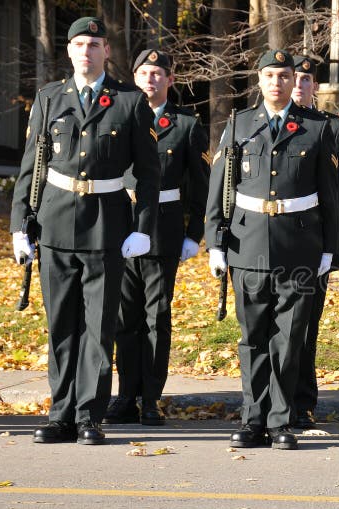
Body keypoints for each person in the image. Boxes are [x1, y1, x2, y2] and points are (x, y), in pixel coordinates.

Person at [9, 17, 159, 445]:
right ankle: (60, 414)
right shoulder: (49, 98)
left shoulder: (130, 101)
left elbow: (148, 174)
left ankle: (89, 416)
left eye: (95, 44)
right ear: (70, 50)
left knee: (98, 327)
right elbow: (31, 167)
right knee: (61, 324)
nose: (87, 52)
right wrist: (21, 225)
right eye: (79, 44)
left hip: (107, 225)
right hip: (55, 222)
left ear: (106, 52)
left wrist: (143, 227)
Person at [205, 49, 339, 450]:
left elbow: (331, 198)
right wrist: (216, 242)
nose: (277, 83)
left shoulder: (316, 129)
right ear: (259, 81)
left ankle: (281, 421)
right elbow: (221, 186)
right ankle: (253, 420)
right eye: (269, 76)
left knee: (288, 337)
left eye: (284, 75)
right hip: (247, 245)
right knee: (253, 338)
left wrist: (330, 250)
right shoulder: (239, 124)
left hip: (300, 246)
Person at [103, 49, 210, 426]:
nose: (151, 78)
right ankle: (126, 396)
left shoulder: (185, 125)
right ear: (134, 77)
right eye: (144, 72)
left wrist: (194, 234)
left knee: (156, 317)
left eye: (158, 72)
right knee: (122, 318)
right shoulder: (117, 114)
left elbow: (201, 186)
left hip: (162, 231)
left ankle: (150, 398)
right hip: (120, 225)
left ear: (170, 80)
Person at [290, 55, 339, 430]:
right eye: (294, 79)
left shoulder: (330, 127)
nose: (299, 85)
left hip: (313, 243)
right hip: (273, 240)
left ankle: (302, 403)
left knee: (306, 326)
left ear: (315, 86)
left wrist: (336, 247)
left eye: (306, 80)